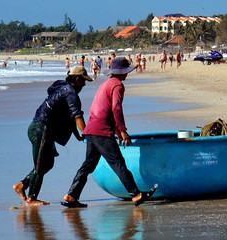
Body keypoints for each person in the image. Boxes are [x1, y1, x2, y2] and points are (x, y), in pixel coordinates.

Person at [63, 57, 148, 208]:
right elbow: (116, 108)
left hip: (91, 129)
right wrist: (123, 130)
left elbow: (103, 110)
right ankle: (136, 194)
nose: (127, 73)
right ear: (122, 72)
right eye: (126, 71)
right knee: (117, 162)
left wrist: (117, 131)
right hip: (101, 130)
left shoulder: (105, 84)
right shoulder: (118, 85)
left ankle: (71, 195)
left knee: (88, 165)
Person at [14, 65, 93, 206]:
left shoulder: (65, 89)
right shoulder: (70, 92)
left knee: (48, 164)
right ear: (77, 79)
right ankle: (32, 198)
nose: (84, 84)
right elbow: (77, 116)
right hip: (40, 128)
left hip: (46, 131)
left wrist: (78, 135)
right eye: (83, 80)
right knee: (40, 165)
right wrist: (88, 133)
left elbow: (71, 118)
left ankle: (22, 185)